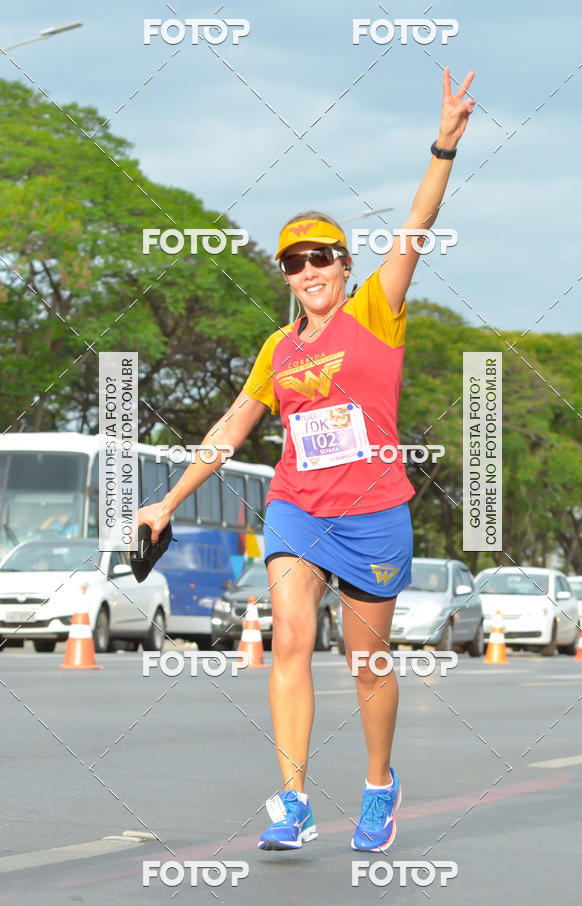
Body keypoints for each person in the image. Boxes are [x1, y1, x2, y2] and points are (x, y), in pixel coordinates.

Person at [136, 66, 475, 853]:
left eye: (323, 256)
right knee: (289, 638)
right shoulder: (276, 349)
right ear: (285, 278)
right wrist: (168, 502)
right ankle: (291, 800)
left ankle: (379, 785)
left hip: (376, 511)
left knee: (367, 665)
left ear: (345, 265)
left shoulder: (377, 311)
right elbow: (231, 425)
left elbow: (416, 226)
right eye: (295, 261)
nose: (310, 270)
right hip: (297, 508)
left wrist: (444, 145)